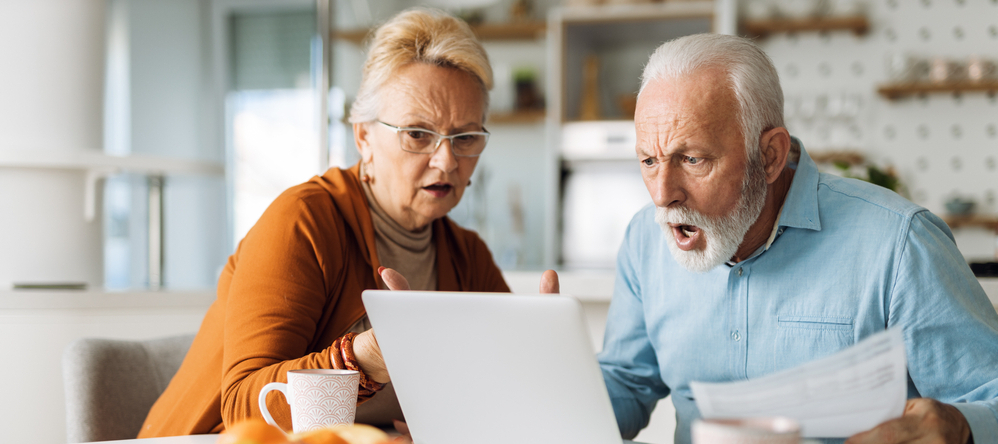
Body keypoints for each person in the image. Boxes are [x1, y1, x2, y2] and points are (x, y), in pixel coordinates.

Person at [138, 8, 536, 437]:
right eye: (418, 134)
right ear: (363, 136)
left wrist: (538, 352)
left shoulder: (466, 255)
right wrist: (363, 358)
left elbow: (499, 404)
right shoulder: (303, 221)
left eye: (465, 137)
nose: (447, 160)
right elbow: (244, 407)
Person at [596, 33, 998, 444]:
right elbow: (627, 384)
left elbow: (992, 397)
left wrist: (961, 427)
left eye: (693, 159)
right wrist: (543, 377)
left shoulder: (899, 243)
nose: (663, 195)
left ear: (769, 155)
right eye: (649, 160)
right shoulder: (645, 240)